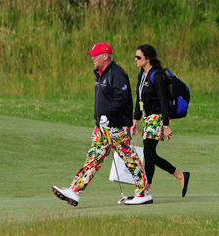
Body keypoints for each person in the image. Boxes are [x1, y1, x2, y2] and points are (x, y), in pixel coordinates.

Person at [52, 42, 152, 206]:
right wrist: (99, 122)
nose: (92, 58)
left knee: (130, 159)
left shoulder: (117, 73)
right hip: (104, 127)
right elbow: (102, 102)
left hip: (117, 126)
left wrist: (106, 116)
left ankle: (144, 193)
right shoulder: (101, 74)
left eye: (95, 55)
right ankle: (75, 191)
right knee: (93, 158)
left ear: (105, 56)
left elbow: (122, 98)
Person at [131, 44, 190, 197]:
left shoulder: (156, 76)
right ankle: (180, 175)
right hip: (147, 118)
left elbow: (163, 102)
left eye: (139, 57)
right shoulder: (141, 74)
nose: (135, 59)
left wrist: (166, 125)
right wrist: (135, 119)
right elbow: (139, 98)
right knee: (151, 155)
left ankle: (145, 189)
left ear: (148, 59)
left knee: (149, 153)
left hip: (157, 118)